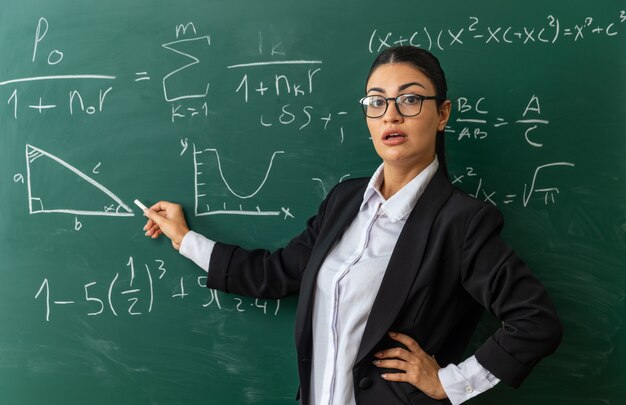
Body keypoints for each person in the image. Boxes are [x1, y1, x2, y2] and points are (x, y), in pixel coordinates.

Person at [142, 45, 562, 405]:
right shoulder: (345, 200)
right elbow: (277, 273)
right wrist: (185, 237)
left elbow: (535, 322)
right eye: (376, 101)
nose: (391, 116)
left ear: (442, 114)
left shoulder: (461, 221)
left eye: (410, 100)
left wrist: (448, 383)